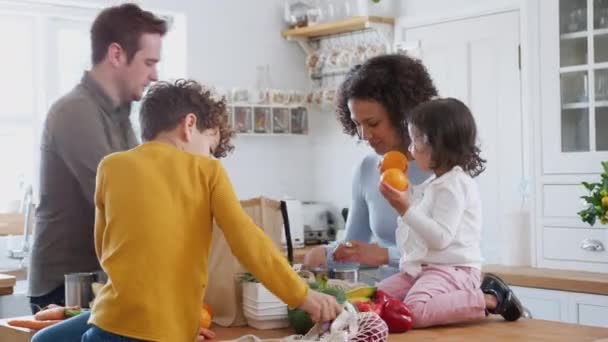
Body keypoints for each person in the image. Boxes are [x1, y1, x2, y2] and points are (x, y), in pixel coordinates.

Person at [33, 79, 342, 342]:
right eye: (210, 147)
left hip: (108, 325)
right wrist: (302, 295)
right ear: (189, 125)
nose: (210, 157)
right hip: (162, 333)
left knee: (43, 339)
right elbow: (248, 241)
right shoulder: (206, 171)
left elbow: (105, 249)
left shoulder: (110, 166)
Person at [29, 3, 166, 313]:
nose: (154, 75)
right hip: (65, 288)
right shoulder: (74, 111)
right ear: (116, 55)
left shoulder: (121, 117)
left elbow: (146, 185)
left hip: (101, 282)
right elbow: (121, 199)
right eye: (149, 62)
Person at [377, 97, 524, 328]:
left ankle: (489, 298)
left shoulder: (455, 185)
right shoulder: (434, 183)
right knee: (377, 298)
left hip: (454, 270)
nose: (410, 149)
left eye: (416, 140)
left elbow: (440, 238)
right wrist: (400, 187)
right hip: (425, 269)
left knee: (413, 312)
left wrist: (404, 207)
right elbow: (416, 212)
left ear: (438, 145)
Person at [303, 54, 437, 281]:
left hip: (437, 293)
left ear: (403, 116)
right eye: (357, 124)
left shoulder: (443, 169)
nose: (364, 135)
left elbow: (454, 253)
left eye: (373, 123)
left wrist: (385, 255)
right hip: (385, 293)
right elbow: (356, 243)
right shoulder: (366, 169)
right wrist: (325, 253)